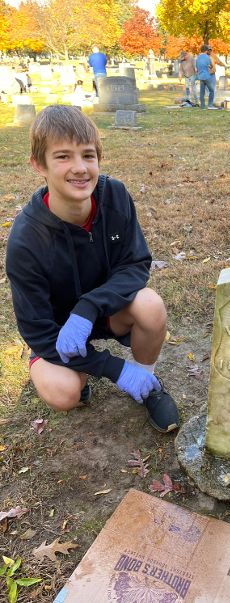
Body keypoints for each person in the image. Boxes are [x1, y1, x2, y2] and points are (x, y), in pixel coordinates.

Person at [6, 106, 180, 434]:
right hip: (58, 331)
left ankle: (147, 383)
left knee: (150, 305)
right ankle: (78, 373)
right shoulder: (25, 240)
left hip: (106, 312)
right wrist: (113, 368)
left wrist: (88, 308)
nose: (79, 168)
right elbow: (38, 331)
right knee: (64, 391)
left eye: (88, 155)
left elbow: (135, 263)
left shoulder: (114, 195)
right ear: (38, 165)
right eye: (63, 157)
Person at [196, 44, 216, 110]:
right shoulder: (207, 57)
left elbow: (197, 67)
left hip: (200, 76)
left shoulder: (198, 57)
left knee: (202, 92)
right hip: (206, 76)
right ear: (206, 50)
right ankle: (210, 105)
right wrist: (209, 66)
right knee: (212, 90)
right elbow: (211, 66)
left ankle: (203, 106)